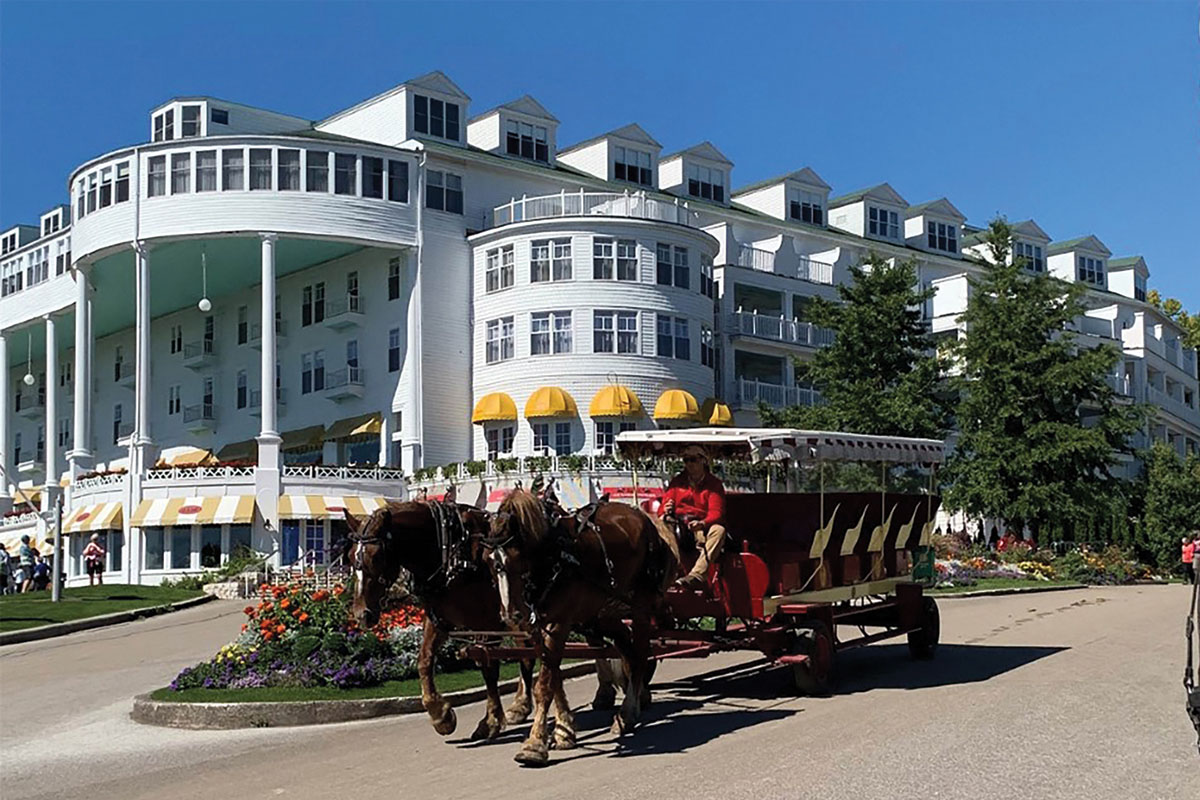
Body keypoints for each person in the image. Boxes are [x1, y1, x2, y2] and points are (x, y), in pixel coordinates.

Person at [660, 445, 727, 589]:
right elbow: (663, 508)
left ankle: (697, 574)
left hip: (702, 525)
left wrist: (702, 523)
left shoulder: (714, 484)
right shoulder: (677, 482)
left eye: (693, 460)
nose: (689, 464)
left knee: (719, 530)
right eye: (686, 460)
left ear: (703, 461)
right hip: (678, 523)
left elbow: (716, 513)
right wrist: (666, 509)